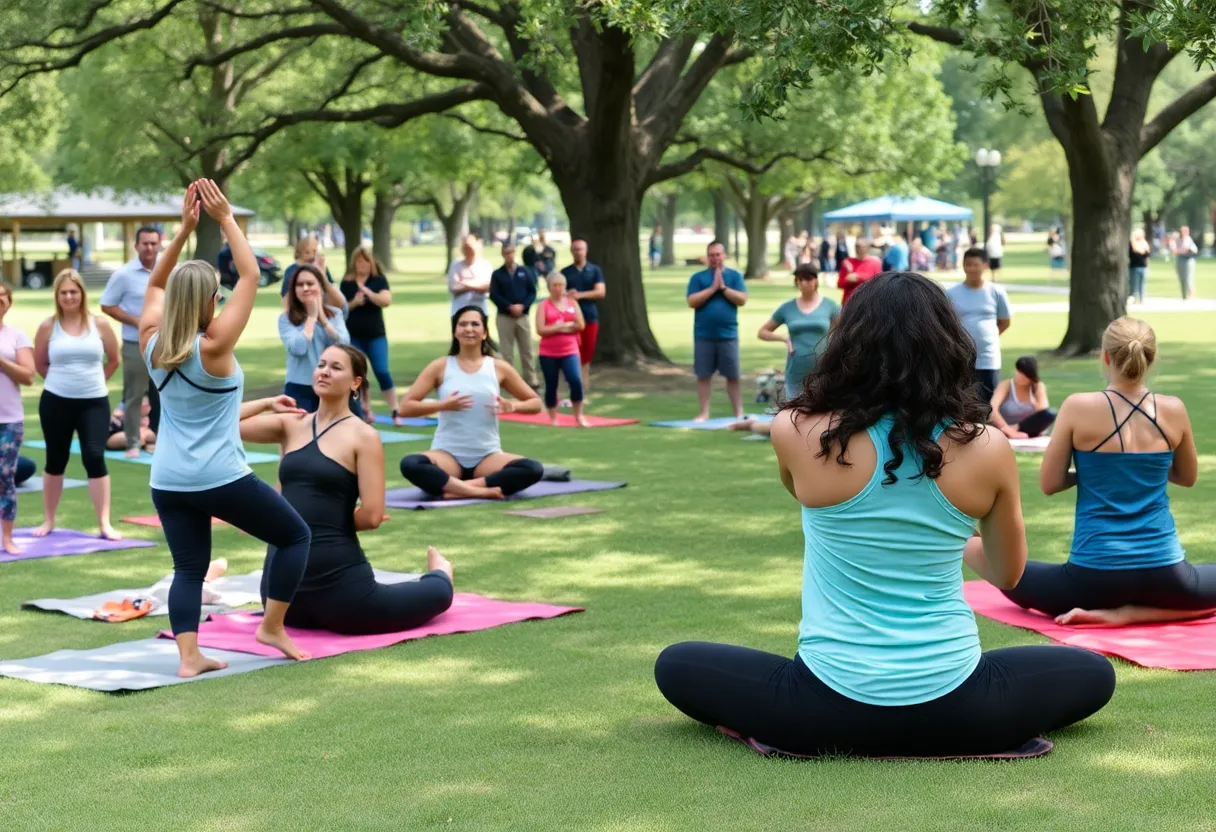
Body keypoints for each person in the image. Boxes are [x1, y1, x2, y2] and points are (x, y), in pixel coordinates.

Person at [654, 271, 1115, 758]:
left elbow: (805, 493)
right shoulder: (989, 448)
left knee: (677, 663)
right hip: (961, 705)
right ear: (949, 346)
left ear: (847, 344)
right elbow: (1007, 572)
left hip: (818, 708)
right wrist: (944, 534)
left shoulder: (794, 430)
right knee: (1092, 672)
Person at [141, 179, 312, 677]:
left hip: (169, 480)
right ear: (211, 300)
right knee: (294, 536)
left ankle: (189, 657)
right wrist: (226, 219)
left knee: (190, 568)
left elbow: (154, 285)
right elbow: (252, 275)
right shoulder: (213, 347)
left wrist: (183, 232)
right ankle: (272, 625)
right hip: (219, 477)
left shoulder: (152, 345)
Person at [1004, 318, 1208, 627]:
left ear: (1106, 356)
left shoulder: (1077, 407)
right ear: (1151, 358)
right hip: (1168, 577)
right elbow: (1186, 476)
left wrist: (1092, 473)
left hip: (1092, 581)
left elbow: (1050, 483)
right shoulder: (1173, 409)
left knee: (1004, 572)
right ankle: (1132, 614)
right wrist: (1143, 470)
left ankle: (1121, 615)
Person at [240, 344, 455, 634]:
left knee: (438, 593)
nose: (324, 372)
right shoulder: (291, 425)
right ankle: (440, 574)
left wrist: (327, 519)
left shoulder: (363, 436)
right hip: (284, 598)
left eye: (336, 367)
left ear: (355, 383)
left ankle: (440, 572)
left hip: (344, 594)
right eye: (321, 364)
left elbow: (372, 516)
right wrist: (266, 403)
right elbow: (217, 423)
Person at [398, 306, 544, 500]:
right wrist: (442, 405)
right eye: (463, 324)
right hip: (447, 456)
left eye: (475, 324)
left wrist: (513, 406)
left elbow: (536, 403)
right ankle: (479, 491)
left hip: (487, 456)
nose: (469, 329)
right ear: (454, 332)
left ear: (484, 333)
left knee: (532, 469)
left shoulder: (498, 368)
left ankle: (456, 489)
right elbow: (405, 407)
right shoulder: (440, 366)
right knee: (411, 464)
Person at [33, 270, 121, 540]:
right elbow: (40, 364)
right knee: (55, 459)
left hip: (94, 402)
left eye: (74, 291)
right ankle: (49, 520)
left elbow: (114, 359)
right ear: (57, 297)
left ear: (82, 294)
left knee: (94, 457)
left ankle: (104, 523)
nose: (69, 297)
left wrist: (94, 383)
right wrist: (64, 384)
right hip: (55, 401)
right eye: (64, 293)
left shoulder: (100, 324)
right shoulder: (49, 326)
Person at [100, 225, 162, 458]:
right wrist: (135, 321)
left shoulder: (170, 270)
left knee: (163, 392)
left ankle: (158, 438)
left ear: (159, 245)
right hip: (135, 343)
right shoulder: (124, 275)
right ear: (136, 245)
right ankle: (133, 441)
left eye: (153, 243)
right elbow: (107, 304)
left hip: (164, 342)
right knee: (135, 393)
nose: (149, 247)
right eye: (144, 243)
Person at [686, 241, 747, 422]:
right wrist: (712, 289)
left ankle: (738, 413)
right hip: (703, 334)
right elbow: (692, 301)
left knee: (733, 376)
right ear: (707, 257)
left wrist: (723, 288)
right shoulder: (698, 278)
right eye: (711, 255)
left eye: (718, 254)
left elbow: (742, 299)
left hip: (728, 334)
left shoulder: (735, 276)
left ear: (724, 255)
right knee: (703, 375)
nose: (715, 258)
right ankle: (704, 413)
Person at [757, 263, 840, 396]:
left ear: (815, 280)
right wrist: (784, 338)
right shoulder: (787, 308)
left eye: (807, 279)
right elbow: (763, 332)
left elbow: (845, 330)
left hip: (823, 366)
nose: (803, 283)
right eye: (799, 280)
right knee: (795, 408)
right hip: (796, 366)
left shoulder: (830, 306)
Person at [279, 265, 351, 413]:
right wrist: (311, 318)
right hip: (299, 388)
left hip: (330, 386)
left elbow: (344, 344)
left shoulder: (335, 315)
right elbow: (298, 349)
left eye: (310, 283)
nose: (305, 288)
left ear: (321, 287)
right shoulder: (286, 319)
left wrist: (323, 320)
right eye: (300, 284)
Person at [947, 248, 1011, 407]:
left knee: (989, 404)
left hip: (989, 359)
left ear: (985, 266)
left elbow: (1004, 321)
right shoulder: (951, 293)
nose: (972, 269)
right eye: (968, 265)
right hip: (962, 359)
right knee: (963, 402)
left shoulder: (996, 292)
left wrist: (988, 338)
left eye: (976, 265)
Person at [341, 247, 397, 423]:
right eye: (358, 261)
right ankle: (365, 409)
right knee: (358, 374)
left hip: (375, 335)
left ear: (371, 263)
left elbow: (386, 300)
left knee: (382, 370)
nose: (362, 265)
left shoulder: (378, 281)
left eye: (365, 261)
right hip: (353, 335)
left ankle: (395, 409)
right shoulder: (347, 283)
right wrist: (355, 302)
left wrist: (369, 293)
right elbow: (340, 309)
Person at [0, 285, 35, 554]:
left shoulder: (17, 337)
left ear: (9, 302)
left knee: (5, 477)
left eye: (3, 295)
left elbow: (28, 375)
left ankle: (7, 538)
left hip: (9, 420)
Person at [535, 272, 588, 427]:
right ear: (549, 287)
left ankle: (579, 416)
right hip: (548, 352)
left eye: (561, 285)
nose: (558, 289)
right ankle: (552, 417)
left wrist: (563, 328)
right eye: (555, 285)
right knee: (551, 384)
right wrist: (560, 327)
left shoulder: (572, 303)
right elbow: (541, 329)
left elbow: (580, 325)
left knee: (575, 381)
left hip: (570, 350)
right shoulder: (544, 305)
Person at [489, 242, 538, 388]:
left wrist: (523, 306)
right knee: (507, 351)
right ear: (503, 254)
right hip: (505, 317)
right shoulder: (498, 274)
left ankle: (531, 379)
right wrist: (508, 307)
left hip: (522, 316)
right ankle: (507, 380)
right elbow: (494, 294)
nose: (509, 256)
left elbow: (532, 292)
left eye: (511, 252)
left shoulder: (525, 272)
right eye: (506, 253)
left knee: (527, 349)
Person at [561, 239, 606, 392]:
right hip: (570, 319)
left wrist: (579, 295)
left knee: (587, 352)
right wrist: (567, 295)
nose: (578, 252)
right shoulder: (565, 272)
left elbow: (600, 292)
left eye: (580, 249)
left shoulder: (594, 270)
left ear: (585, 251)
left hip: (590, 316)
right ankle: (574, 385)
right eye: (575, 249)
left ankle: (584, 385)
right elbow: (558, 293)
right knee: (572, 352)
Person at [989, 356, 1056, 439]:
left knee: (1051, 413)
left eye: (1025, 375)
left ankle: (1016, 428)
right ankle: (1011, 430)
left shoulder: (1037, 386)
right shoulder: (1006, 385)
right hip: (1006, 428)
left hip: (1029, 429)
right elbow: (992, 409)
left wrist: (1033, 401)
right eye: (1019, 372)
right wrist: (1008, 429)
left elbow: (1044, 411)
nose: (1021, 377)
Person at [280, 236, 342, 303]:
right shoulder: (291, 270)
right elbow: (285, 295)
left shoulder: (321, 268)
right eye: (307, 252)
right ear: (299, 253)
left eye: (314, 251)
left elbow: (331, 289)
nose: (311, 256)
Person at [447, 235, 493, 315]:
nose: (469, 252)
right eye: (466, 249)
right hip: (459, 308)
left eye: (471, 249)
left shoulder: (485, 265)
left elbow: (488, 287)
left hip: (480, 308)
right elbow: (453, 287)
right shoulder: (456, 265)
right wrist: (477, 285)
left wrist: (465, 283)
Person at [836, 239, 882, 306]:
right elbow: (840, 284)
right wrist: (848, 280)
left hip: (868, 302)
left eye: (862, 247)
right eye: (857, 246)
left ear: (868, 248)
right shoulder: (848, 262)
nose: (860, 249)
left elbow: (879, 282)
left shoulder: (875, 263)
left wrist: (858, 277)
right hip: (850, 302)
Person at [1172, 226, 1198, 300]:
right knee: (1181, 277)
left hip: (1188, 259)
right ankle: (1184, 296)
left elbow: (1185, 248)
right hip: (1180, 258)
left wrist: (1178, 250)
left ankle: (1192, 295)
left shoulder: (1188, 239)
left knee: (1189, 278)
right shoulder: (1177, 239)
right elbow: (1174, 249)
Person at [1128, 228, 1151, 304]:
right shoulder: (1132, 244)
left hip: (1143, 267)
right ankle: (1135, 299)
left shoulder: (1144, 243)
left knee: (1142, 284)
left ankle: (1141, 299)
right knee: (1134, 284)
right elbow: (1135, 251)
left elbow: (1147, 254)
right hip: (1134, 267)